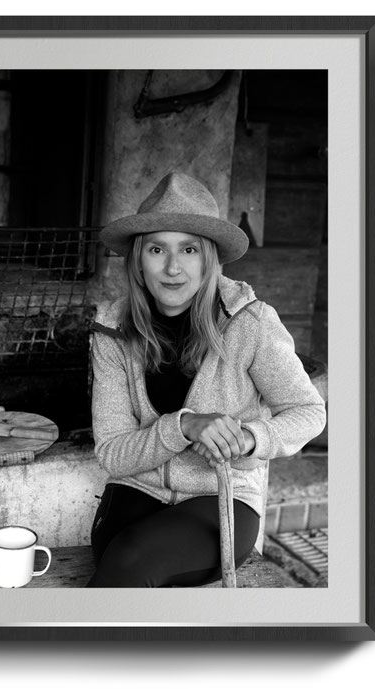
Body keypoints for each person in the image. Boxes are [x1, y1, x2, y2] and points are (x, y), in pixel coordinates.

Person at [86, 172, 326, 588]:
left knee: (131, 561)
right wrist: (182, 426)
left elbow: (308, 411)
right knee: (121, 558)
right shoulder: (112, 331)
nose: (173, 267)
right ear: (138, 261)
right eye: (157, 249)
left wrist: (248, 438)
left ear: (210, 258)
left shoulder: (250, 324)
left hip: (220, 495)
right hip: (134, 491)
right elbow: (111, 452)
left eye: (190, 249)